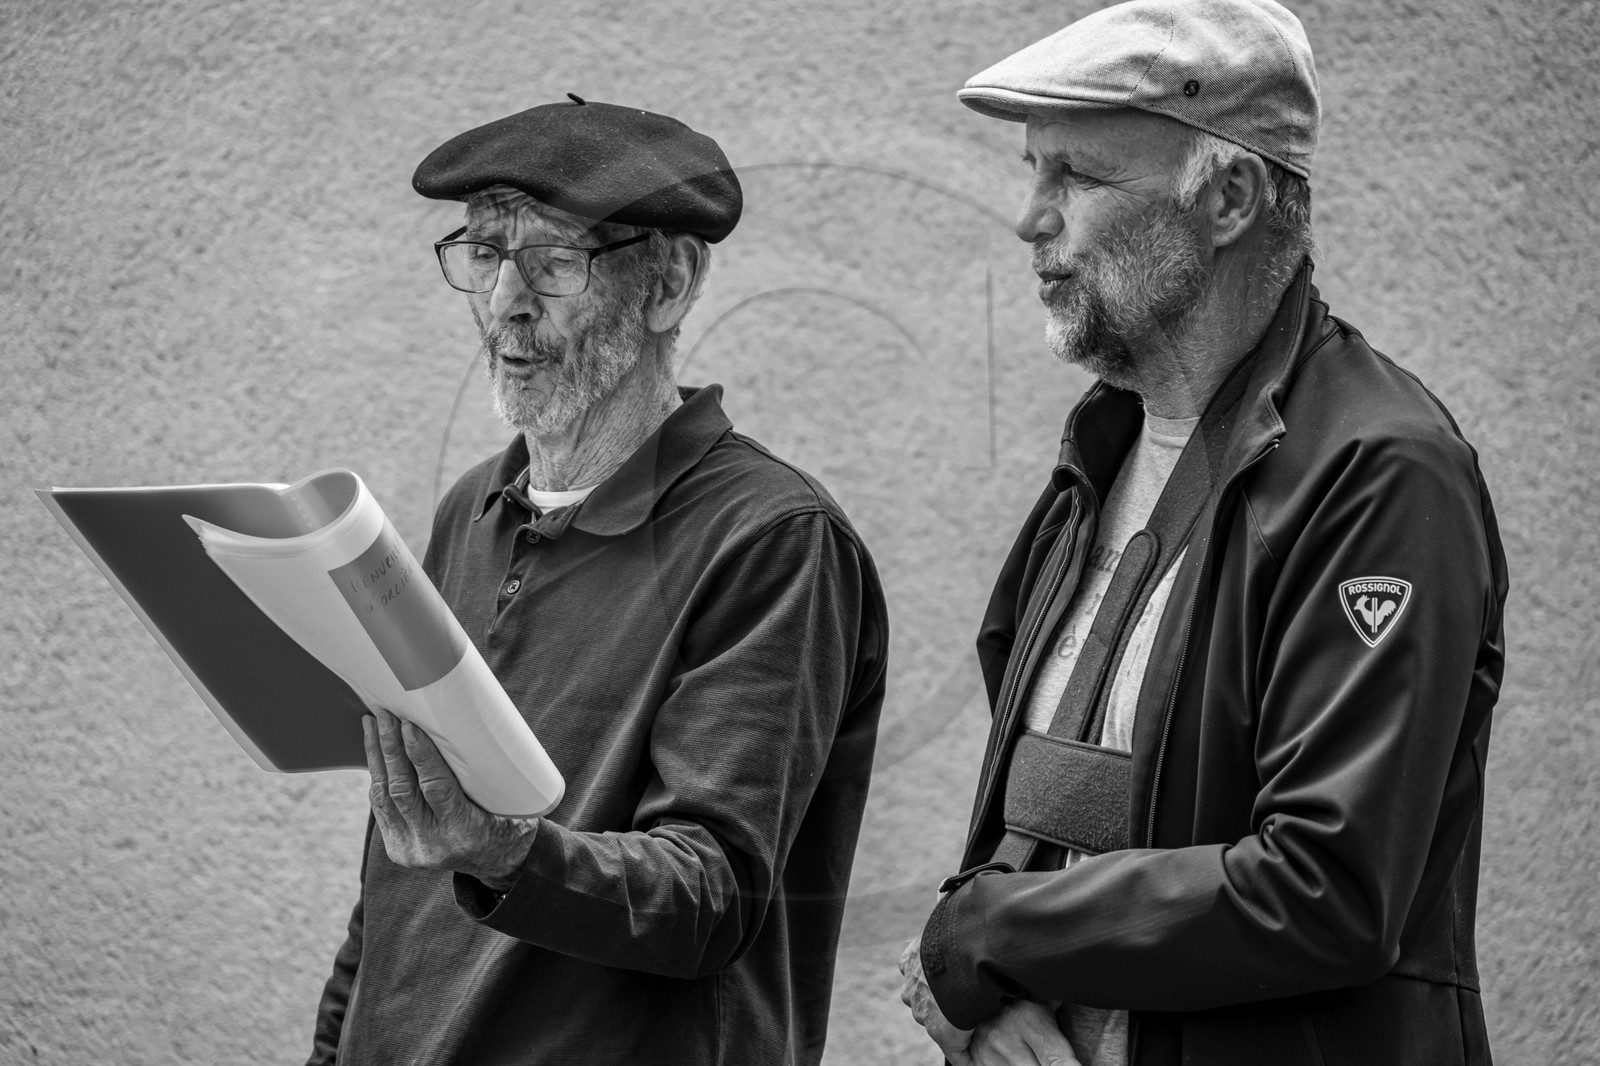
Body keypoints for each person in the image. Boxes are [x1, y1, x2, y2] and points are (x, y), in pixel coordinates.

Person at [897, 2, 1507, 1064]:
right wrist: (975, 995)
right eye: (1032, 170)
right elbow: (1040, 814)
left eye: (1075, 176)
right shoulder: (1100, 453)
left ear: (1226, 197)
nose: (1030, 218)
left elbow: (1328, 886)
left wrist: (983, 934)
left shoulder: (1379, 473)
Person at [306, 97, 889, 1066]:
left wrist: (503, 849)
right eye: (487, 254)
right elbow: (392, 882)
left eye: (553, 261)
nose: (505, 303)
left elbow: (709, 896)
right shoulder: (473, 507)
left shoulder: (772, 538)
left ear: (670, 284)